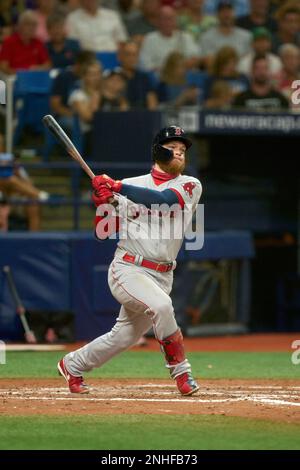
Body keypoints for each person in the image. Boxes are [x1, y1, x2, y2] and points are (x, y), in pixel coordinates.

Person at [57, 125, 202, 396]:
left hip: (162, 274)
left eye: (183, 150)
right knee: (162, 306)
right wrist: (103, 202)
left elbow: (163, 200)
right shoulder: (131, 185)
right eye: (173, 149)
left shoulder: (190, 185)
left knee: (124, 336)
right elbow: (103, 233)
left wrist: (116, 187)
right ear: (158, 151)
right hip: (128, 269)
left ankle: (72, 365)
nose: (180, 154)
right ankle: (182, 373)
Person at [0, 10, 51, 74]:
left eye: (34, 25)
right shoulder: (8, 42)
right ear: (20, 25)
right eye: (28, 24)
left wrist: (38, 68)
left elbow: (48, 65)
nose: (32, 28)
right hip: (15, 78)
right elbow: (3, 67)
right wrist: (22, 73)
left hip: (34, 77)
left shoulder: (38, 42)